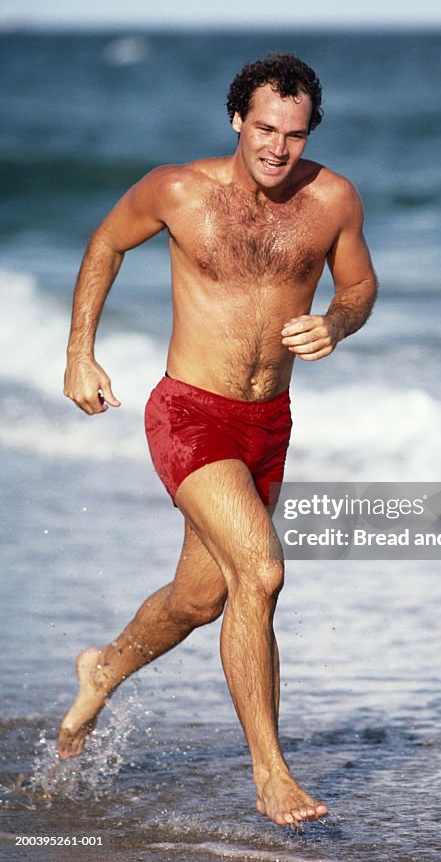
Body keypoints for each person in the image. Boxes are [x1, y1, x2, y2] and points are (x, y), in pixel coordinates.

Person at [57, 52, 378, 826]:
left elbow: (360, 285)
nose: (277, 147)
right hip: (190, 414)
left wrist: (335, 321)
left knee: (202, 599)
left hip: (268, 423)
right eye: (265, 128)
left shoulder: (332, 199)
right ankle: (270, 775)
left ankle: (104, 667)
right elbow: (106, 243)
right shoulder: (177, 190)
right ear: (238, 118)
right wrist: (78, 353)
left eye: (294, 135)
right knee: (260, 574)